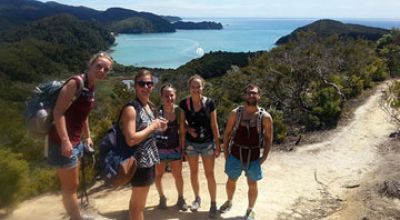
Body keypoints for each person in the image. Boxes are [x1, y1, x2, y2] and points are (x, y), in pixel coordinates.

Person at [48, 51, 113, 220]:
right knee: (69, 187)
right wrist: (65, 141)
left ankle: (74, 215)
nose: (102, 71)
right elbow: (58, 112)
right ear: (90, 65)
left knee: (73, 185)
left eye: (106, 69)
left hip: (75, 142)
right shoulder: (75, 83)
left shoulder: (91, 87)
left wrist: (88, 136)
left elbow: (83, 115)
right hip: (62, 142)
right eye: (99, 66)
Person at [219, 84, 273, 220]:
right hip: (235, 154)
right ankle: (229, 201)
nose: (251, 95)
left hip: (254, 156)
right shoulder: (235, 113)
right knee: (231, 180)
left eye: (254, 93)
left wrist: (264, 157)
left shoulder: (265, 117)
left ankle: (250, 210)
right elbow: (227, 134)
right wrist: (226, 153)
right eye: (249, 93)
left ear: (259, 96)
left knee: (252, 184)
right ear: (244, 95)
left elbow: (268, 138)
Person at [120, 69, 168, 220]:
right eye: (142, 83)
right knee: (138, 205)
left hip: (149, 160)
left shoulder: (149, 106)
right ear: (135, 86)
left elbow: (147, 131)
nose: (146, 87)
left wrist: (159, 127)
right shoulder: (131, 109)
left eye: (149, 83)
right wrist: (153, 127)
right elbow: (131, 139)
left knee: (140, 201)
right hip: (139, 163)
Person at [179, 74, 221, 218]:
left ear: (202, 87)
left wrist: (218, 144)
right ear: (189, 88)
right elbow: (182, 124)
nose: (196, 89)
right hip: (191, 145)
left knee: (210, 174)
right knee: (193, 173)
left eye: (198, 86)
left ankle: (213, 204)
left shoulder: (210, 103)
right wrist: (183, 145)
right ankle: (197, 199)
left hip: (208, 144)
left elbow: (214, 125)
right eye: (193, 87)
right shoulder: (184, 104)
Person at [155, 84, 188, 211]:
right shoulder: (156, 112)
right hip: (159, 149)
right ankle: (162, 197)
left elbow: (182, 132)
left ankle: (181, 198)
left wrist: (183, 148)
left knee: (177, 175)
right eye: (166, 95)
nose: (169, 98)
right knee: (158, 175)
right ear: (161, 97)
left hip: (175, 148)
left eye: (171, 95)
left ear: (175, 96)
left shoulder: (179, 112)